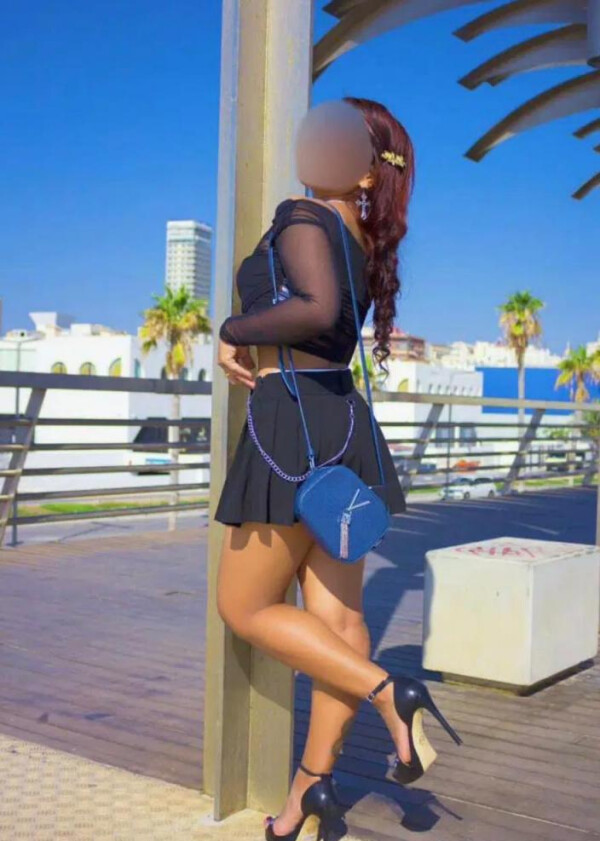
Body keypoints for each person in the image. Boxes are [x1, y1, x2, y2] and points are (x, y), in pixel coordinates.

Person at [214, 97, 462, 841]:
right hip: (342, 422)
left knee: (245, 605)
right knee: (340, 621)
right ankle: (310, 793)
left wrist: (230, 329)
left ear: (363, 169)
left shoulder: (303, 214)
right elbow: (332, 316)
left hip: (290, 426)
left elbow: (316, 310)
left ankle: (389, 692)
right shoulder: (358, 234)